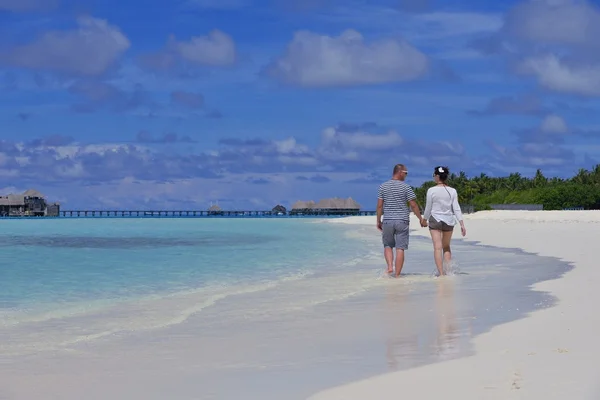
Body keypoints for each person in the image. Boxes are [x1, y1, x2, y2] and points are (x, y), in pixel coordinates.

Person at [377, 163, 427, 277]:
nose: (406, 175)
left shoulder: (383, 186)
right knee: (400, 248)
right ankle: (397, 275)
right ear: (399, 172)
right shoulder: (406, 187)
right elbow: (413, 205)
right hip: (402, 220)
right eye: (405, 173)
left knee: (387, 245)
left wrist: (378, 220)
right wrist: (420, 218)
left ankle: (390, 267)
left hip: (388, 220)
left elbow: (380, 205)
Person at [422, 166, 467, 276]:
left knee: (437, 247)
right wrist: (462, 224)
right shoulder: (452, 191)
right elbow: (456, 207)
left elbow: (428, 208)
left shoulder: (431, 190)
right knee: (446, 246)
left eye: (434, 175)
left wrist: (424, 220)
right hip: (449, 220)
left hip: (435, 219)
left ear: (437, 176)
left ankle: (441, 274)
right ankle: (448, 272)